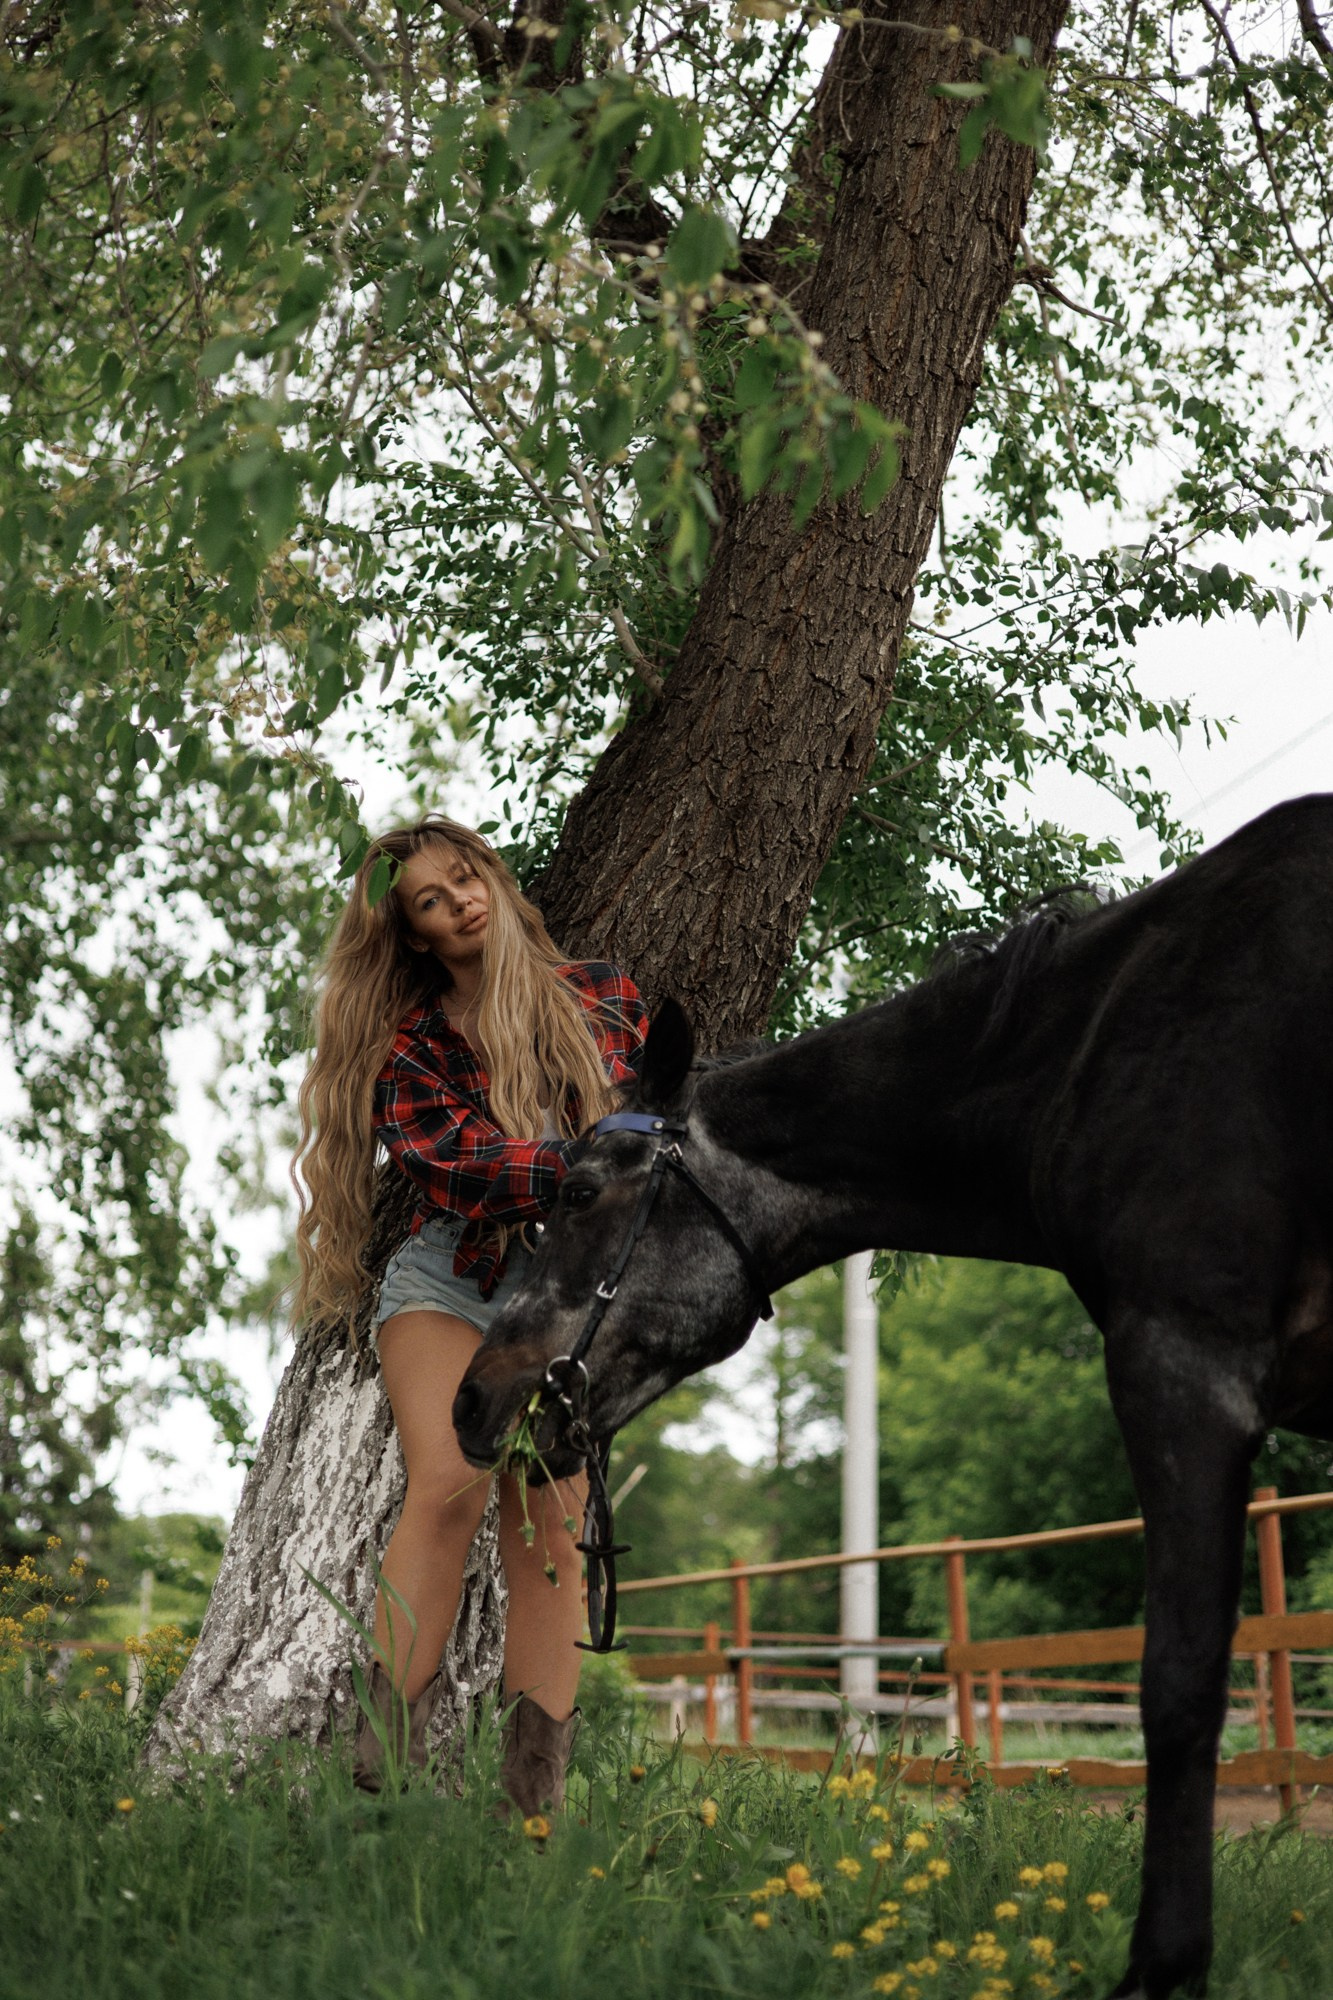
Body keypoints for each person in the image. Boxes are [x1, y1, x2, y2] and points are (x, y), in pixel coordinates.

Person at [291, 813, 647, 1811]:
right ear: (412, 934)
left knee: (550, 1531)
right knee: (448, 1481)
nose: (458, 903)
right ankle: (374, 1780)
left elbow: (642, 1135)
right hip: (452, 1274)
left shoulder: (602, 994)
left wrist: (601, 1171)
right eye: (430, 901)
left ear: (490, 874)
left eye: (464, 877)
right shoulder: (411, 1047)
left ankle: (531, 1808)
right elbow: (456, 1166)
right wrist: (582, 1166)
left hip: (567, 1289)